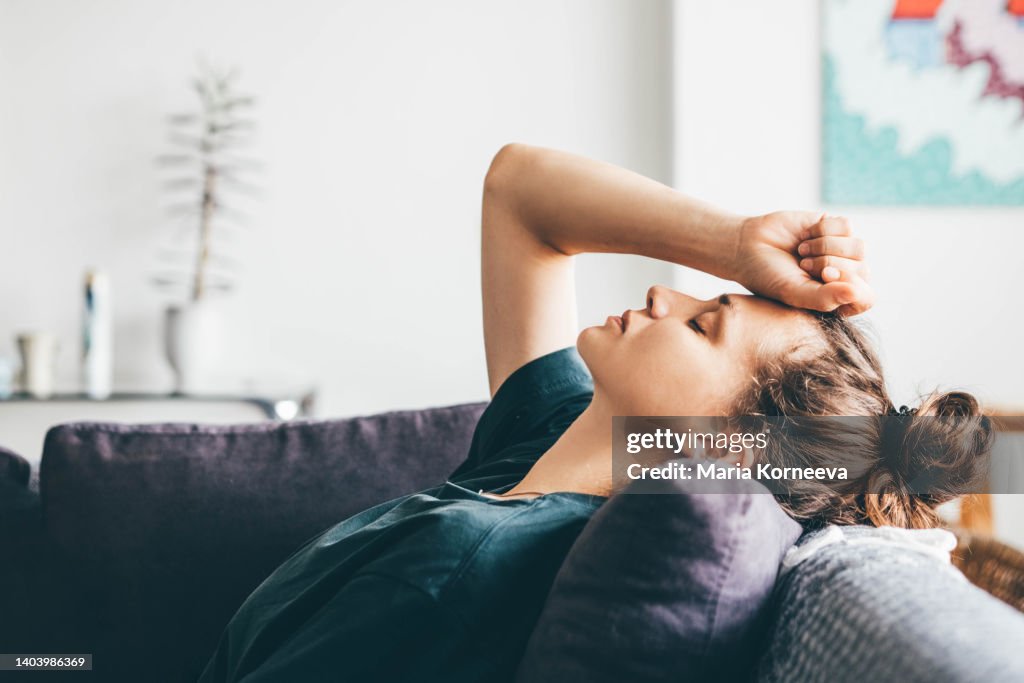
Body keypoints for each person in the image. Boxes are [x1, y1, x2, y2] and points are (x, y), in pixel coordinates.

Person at [199, 144, 990, 682]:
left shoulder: (463, 563)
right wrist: (738, 242)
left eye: (703, 323)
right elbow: (519, 189)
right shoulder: (550, 438)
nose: (663, 293)